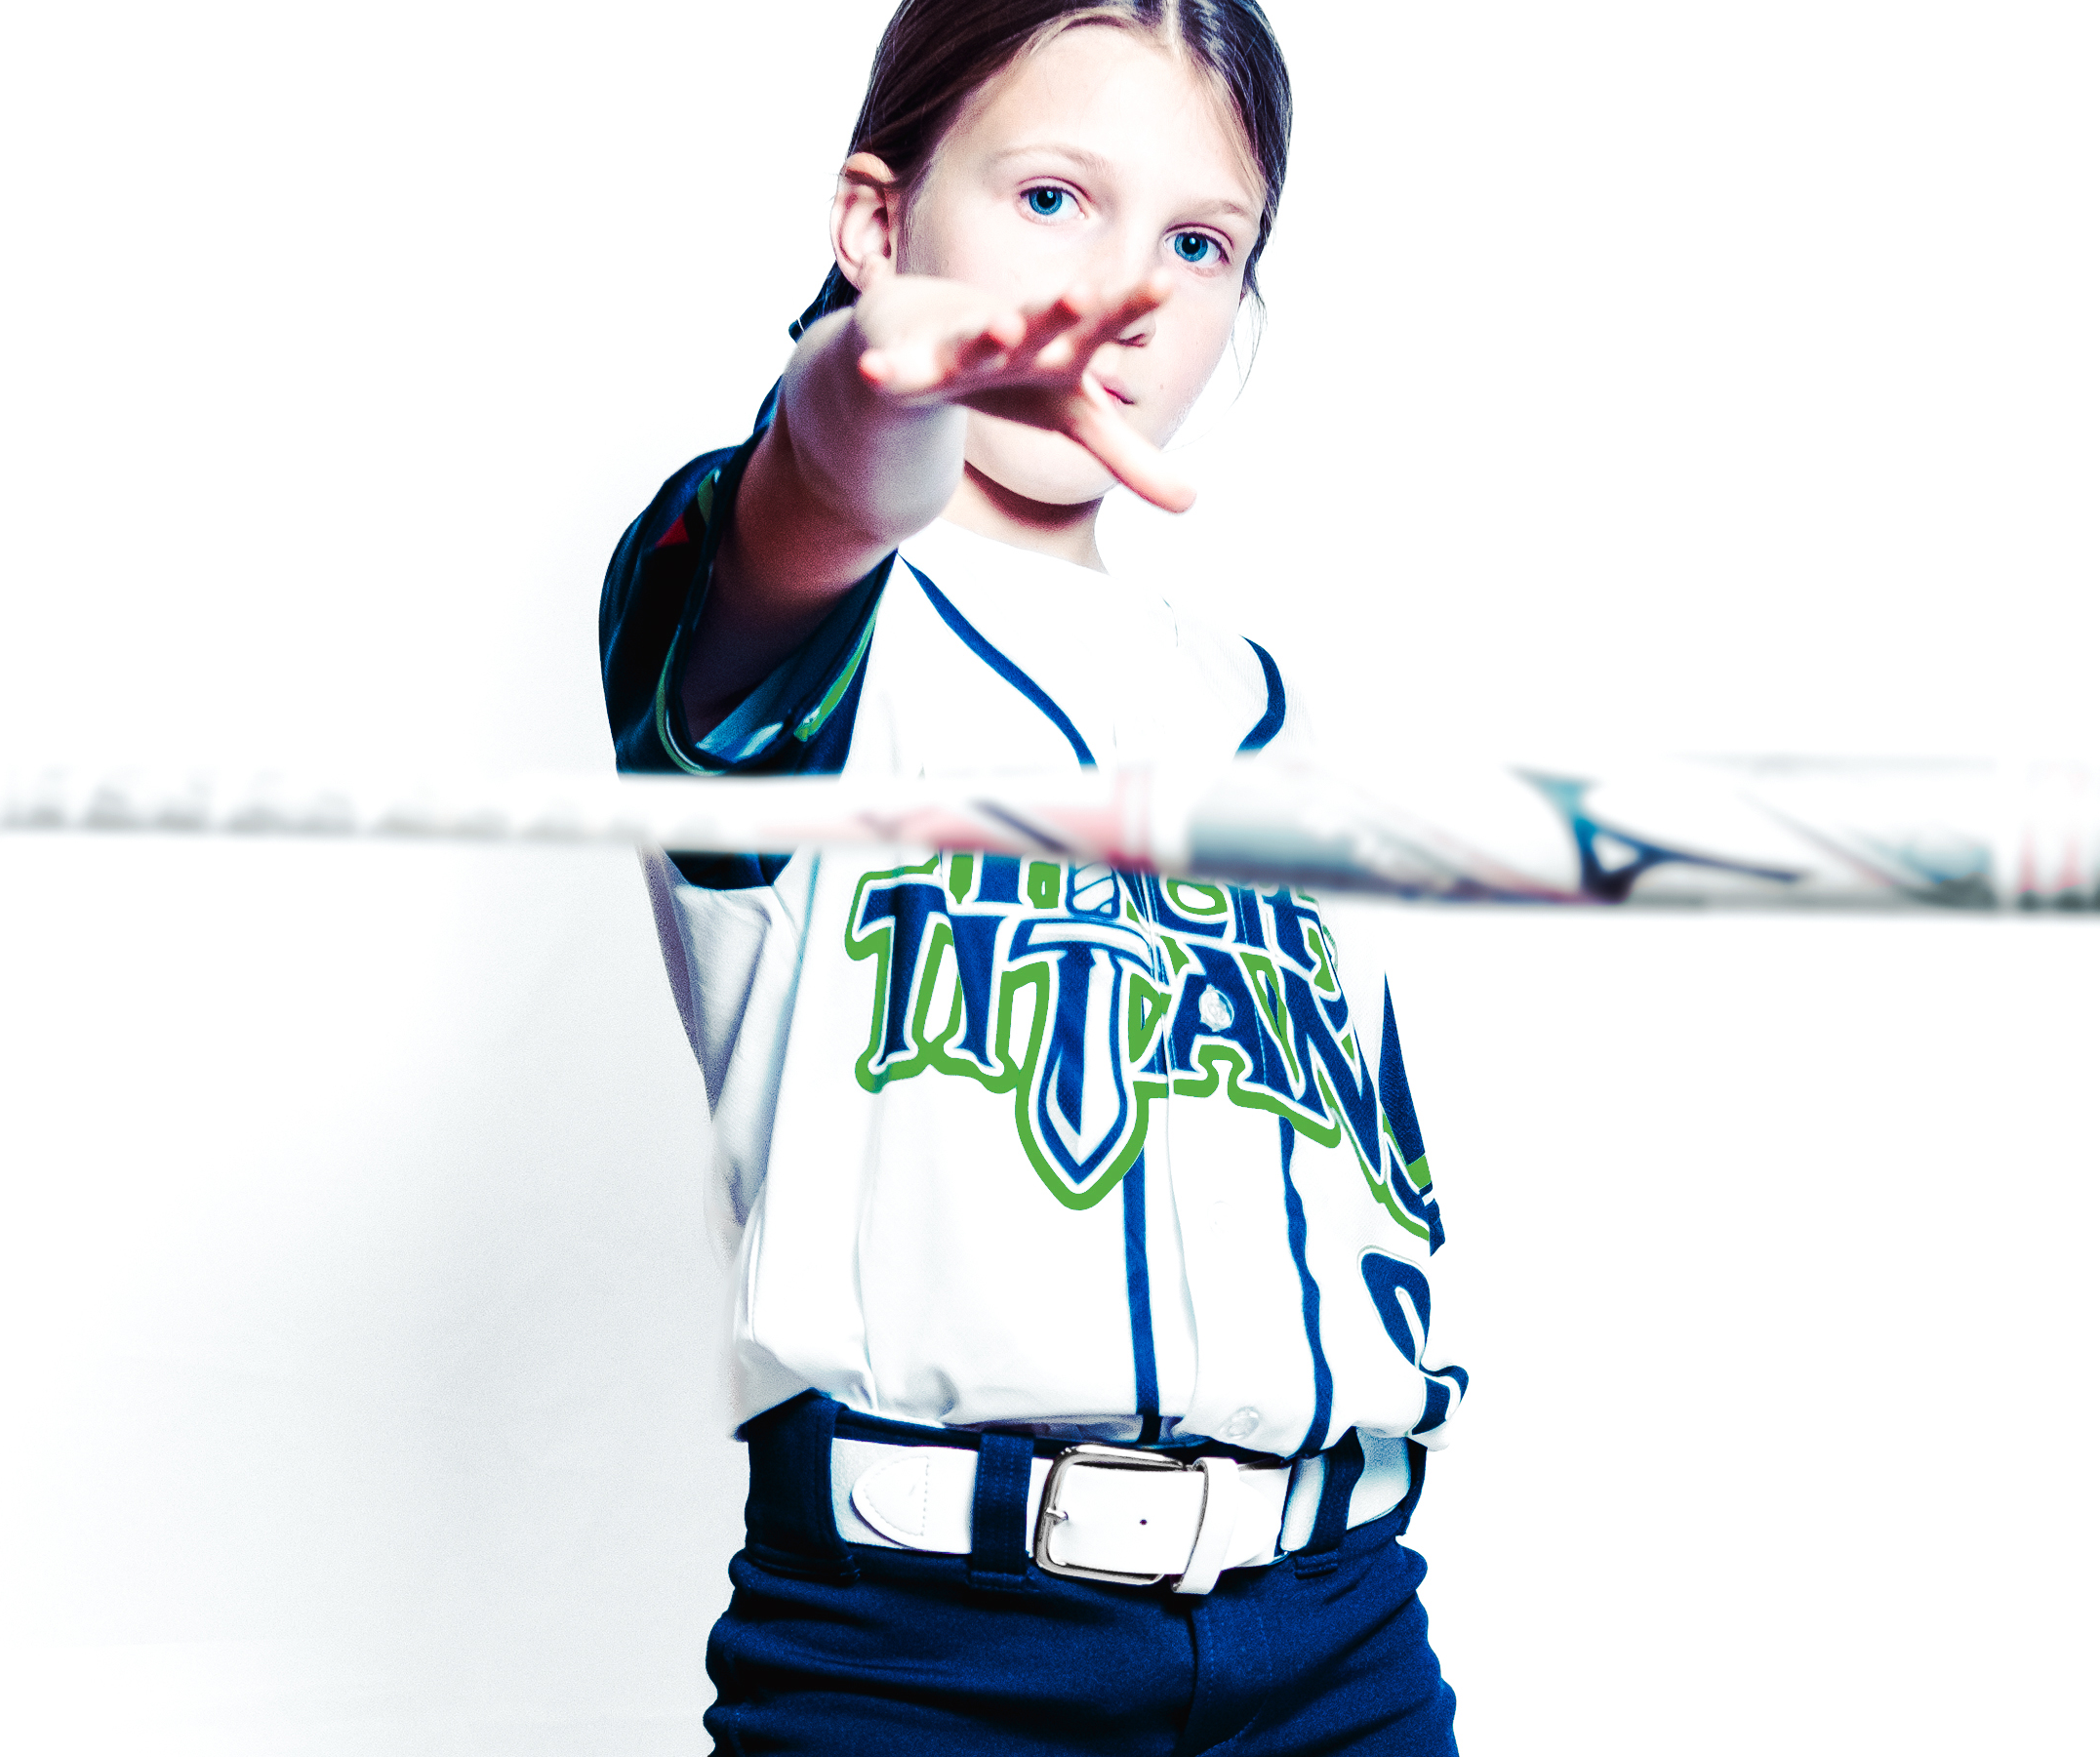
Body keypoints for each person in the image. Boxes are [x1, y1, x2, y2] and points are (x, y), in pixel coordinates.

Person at [596, 4, 1466, 1749]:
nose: (1125, 294)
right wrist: (858, 391)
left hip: (1340, 1641)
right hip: (923, 1663)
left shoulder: (1274, 716)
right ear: (875, 221)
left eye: (1200, 241)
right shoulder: (797, 630)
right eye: (1056, 199)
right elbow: (808, 505)